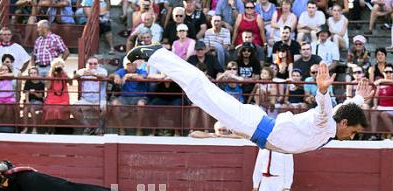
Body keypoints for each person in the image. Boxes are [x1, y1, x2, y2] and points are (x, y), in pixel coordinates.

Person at [127, 45, 370, 153]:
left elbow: (341, 110)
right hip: (255, 126)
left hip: (256, 127)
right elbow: (326, 109)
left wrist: (359, 98)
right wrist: (323, 91)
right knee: (200, 92)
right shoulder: (327, 123)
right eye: (354, 132)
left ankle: (157, 55)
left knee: (201, 93)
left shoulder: (334, 124)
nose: (353, 136)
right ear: (345, 124)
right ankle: (156, 54)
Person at [72, 56, 108, 134]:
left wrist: (93, 73)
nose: (93, 65)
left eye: (95, 64)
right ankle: (88, 126)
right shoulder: (83, 70)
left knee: (107, 108)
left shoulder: (102, 70)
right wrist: (82, 73)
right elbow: (74, 77)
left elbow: (103, 76)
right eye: (90, 64)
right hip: (85, 99)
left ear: (98, 64)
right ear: (87, 64)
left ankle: (98, 126)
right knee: (73, 108)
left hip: (99, 99)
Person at [372, 63, 393, 140]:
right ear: (383, 73)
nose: (388, 73)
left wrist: (381, 80)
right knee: (373, 112)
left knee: (384, 114)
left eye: (390, 72)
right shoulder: (380, 84)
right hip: (382, 107)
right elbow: (376, 97)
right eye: (386, 72)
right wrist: (375, 105)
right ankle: (374, 135)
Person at [43, 58, 72, 132]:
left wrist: (64, 73)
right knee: (50, 109)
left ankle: (55, 129)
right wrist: (51, 74)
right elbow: (48, 86)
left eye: (60, 66)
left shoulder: (64, 74)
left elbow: (71, 83)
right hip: (52, 98)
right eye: (57, 66)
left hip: (63, 98)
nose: (58, 69)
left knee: (58, 109)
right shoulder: (50, 75)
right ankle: (51, 129)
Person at [21, 66, 45, 134]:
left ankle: (34, 128)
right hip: (30, 101)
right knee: (25, 110)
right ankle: (25, 128)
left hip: (38, 101)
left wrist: (34, 93)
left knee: (32, 109)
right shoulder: (28, 82)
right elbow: (26, 92)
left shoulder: (41, 83)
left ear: (37, 74)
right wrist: (27, 101)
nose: (33, 74)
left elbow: (41, 96)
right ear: (29, 74)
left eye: (34, 73)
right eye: (31, 73)